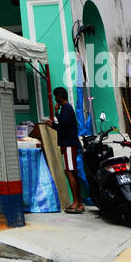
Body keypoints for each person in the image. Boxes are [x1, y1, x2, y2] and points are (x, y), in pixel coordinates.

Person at [47, 85, 83, 213]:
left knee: (70, 172)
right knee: (70, 172)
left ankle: (76, 202)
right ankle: (78, 203)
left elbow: (65, 123)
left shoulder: (66, 108)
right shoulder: (66, 109)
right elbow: (64, 127)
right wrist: (53, 125)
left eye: (56, 96)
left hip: (68, 145)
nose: (55, 99)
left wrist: (56, 113)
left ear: (60, 96)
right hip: (67, 143)